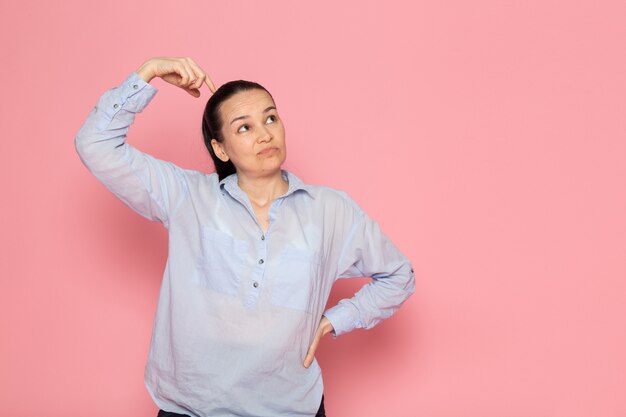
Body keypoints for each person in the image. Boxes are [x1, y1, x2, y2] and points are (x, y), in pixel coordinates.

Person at [75, 56, 415, 417]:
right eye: (244, 128)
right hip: (192, 409)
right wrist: (149, 72)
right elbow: (94, 143)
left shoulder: (330, 210)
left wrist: (337, 319)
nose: (265, 134)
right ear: (220, 149)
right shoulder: (186, 197)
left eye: (270, 118)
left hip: (290, 408)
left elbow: (398, 276)